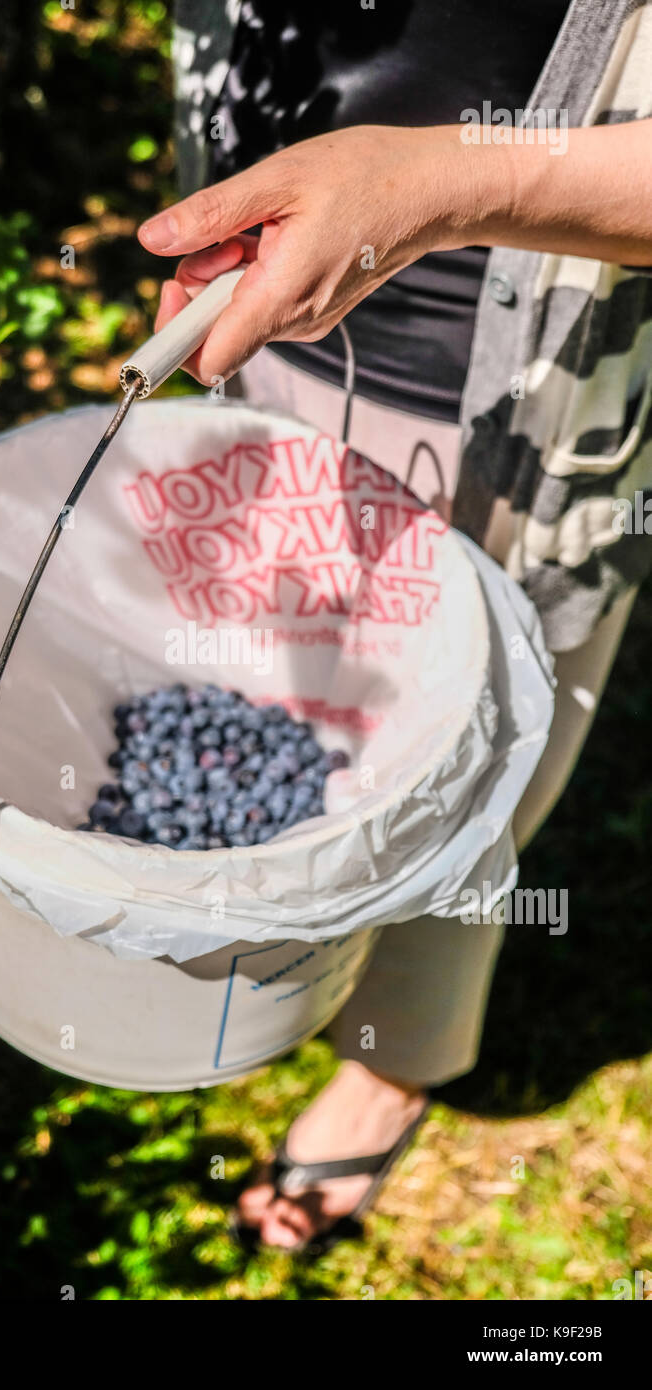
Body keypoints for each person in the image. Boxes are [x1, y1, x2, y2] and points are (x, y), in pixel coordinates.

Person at [137, 0, 652, 1250]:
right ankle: (278, 951)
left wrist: (434, 182)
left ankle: (392, 1057)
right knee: (280, 719)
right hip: (270, 337)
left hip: (529, 403)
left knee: (468, 786)